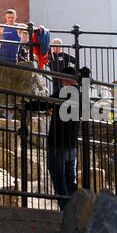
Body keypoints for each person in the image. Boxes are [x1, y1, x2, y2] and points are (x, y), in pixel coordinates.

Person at [25, 66, 80, 211]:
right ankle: (74, 209)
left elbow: (44, 102)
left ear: (66, 79)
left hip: (58, 142)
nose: (60, 81)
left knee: (58, 177)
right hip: (71, 143)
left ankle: (66, 210)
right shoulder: (80, 94)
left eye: (61, 78)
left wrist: (26, 105)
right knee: (70, 180)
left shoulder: (65, 93)